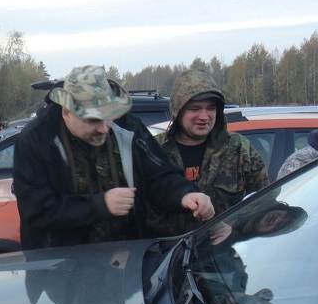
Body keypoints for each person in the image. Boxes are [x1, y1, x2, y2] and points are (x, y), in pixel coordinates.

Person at [13, 65, 214, 250]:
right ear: (67, 113)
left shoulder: (127, 127)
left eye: (108, 117)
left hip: (126, 261)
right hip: (59, 266)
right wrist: (101, 205)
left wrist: (185, 195)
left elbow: (159, 176)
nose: (104, 128)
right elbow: (37, 210)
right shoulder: (36, 140)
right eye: (93, 120)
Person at [149, 69, 268, 237]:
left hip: (222, 250)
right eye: (195, 109)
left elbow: (265, 201)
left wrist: (236, 228)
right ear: (178, 110)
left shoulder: (239, 149)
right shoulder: (153, 150)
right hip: (165, 251)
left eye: (211, 108)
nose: (204, 116)